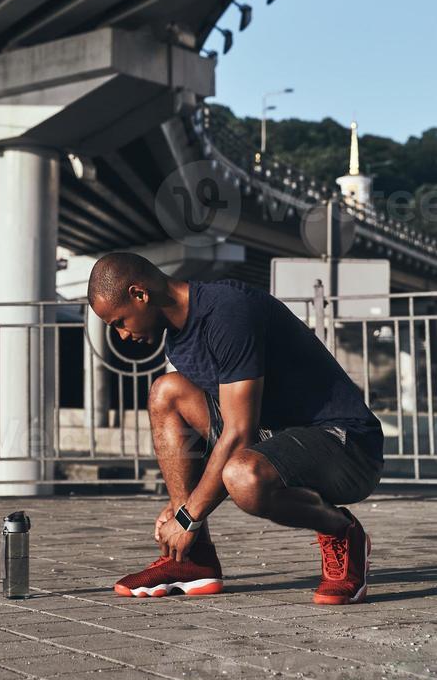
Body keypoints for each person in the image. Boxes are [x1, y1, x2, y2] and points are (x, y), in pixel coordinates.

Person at [87, 252, 384, 604]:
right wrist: (183, 508)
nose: (122, 334)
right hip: (277, 437)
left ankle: (341, 531)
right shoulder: (179, 341)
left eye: (119, 321)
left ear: (140, 294)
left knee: (243, 477)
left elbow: (239, 433)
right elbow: (226, 431)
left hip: (346, 444)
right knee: (167, 392)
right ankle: (193, 560)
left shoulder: (227, 311)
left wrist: (189, 514)